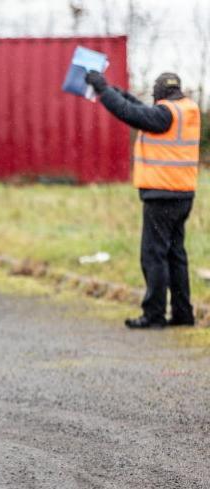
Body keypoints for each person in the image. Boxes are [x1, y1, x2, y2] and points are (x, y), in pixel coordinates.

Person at [86, 70, 200, 329]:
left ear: (159, 94)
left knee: (154, 255)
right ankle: (183, 314)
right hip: (182, 194)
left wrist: (103, 92)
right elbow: (140, 110)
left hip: (162, 195)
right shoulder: (185, 110)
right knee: (175, 255)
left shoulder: (164, 114)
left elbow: (133, 114)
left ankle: (154, 314)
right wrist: (115, 91)